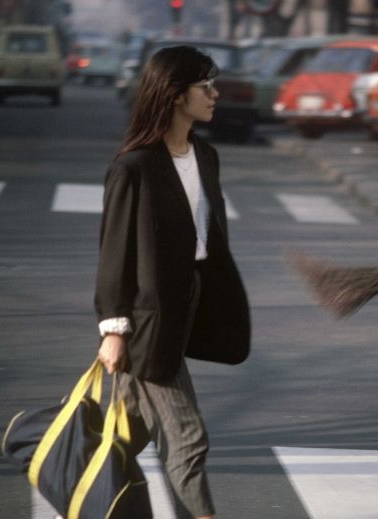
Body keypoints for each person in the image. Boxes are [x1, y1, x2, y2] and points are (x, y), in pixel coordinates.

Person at [94, 45, 251, 519]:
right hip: (149, 319)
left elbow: (207, 235)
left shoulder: (205, 154)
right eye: (205, 86)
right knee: (188, 437)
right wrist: (115, 329)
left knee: (127, 433)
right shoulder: (134, 167)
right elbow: (115, 253)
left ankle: (79, 501)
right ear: (175, 93)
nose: (215, 94)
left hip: (190, 304)